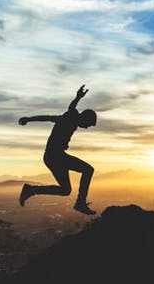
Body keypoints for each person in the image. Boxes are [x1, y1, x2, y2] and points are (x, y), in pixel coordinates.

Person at [17, 84, 97, 215]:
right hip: (55, 157)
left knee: (65, 190)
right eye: (88, 124)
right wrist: (29, 119)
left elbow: (69, 108)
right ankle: (80, 203)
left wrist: (78, 97)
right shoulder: (69, 118)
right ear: (85, 118)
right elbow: (49, 117)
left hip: (53, 157)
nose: (87, 127)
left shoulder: (73, 117)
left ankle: (30, 190)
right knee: (88, 170)